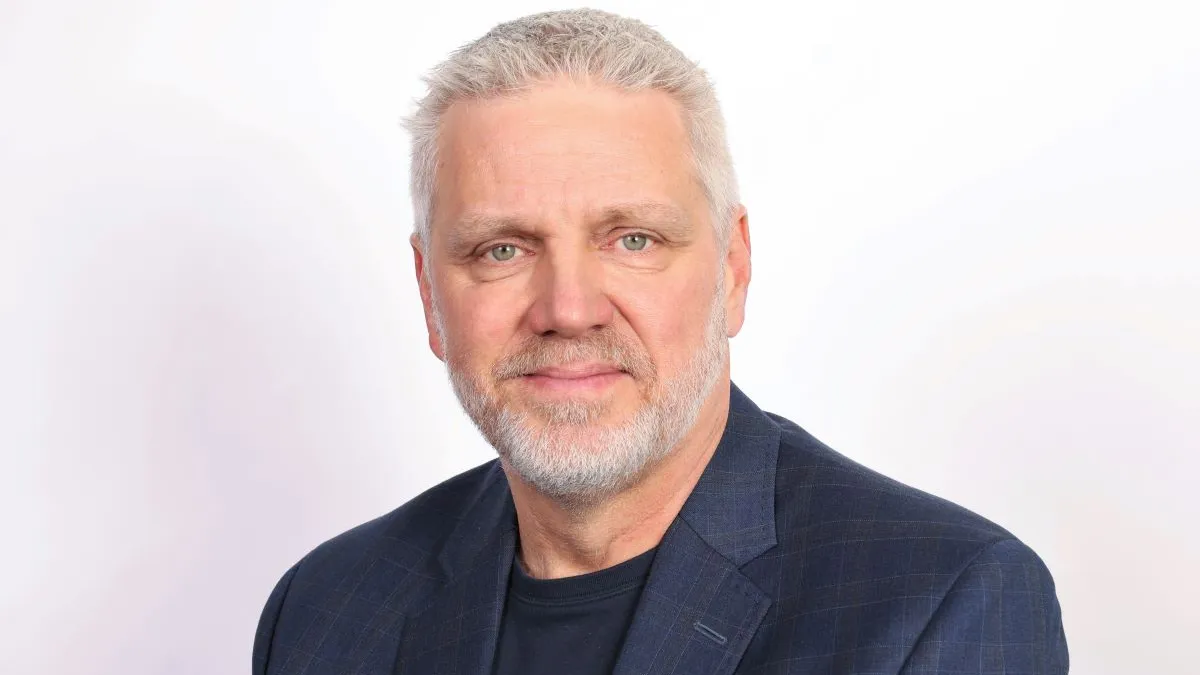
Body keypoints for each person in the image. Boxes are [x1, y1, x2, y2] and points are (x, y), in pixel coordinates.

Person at [252, 9, 1068, 674]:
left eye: (632, 239)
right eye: (502, 249)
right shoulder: (326, 611)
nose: (569, 309)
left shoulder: (940, 604)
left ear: (733, 268)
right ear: (431, 293)